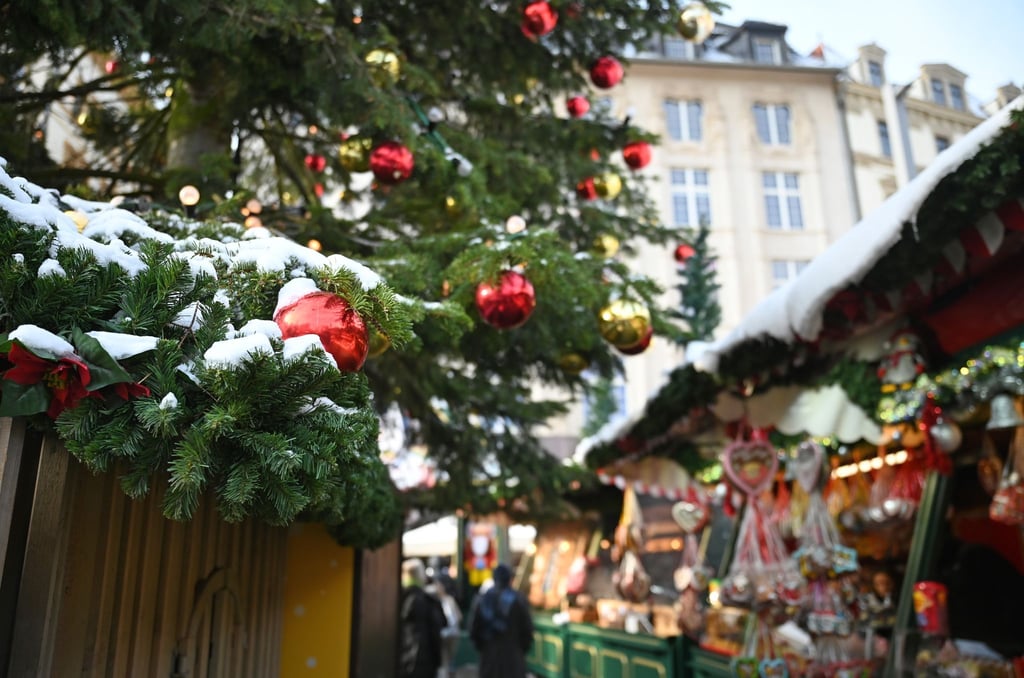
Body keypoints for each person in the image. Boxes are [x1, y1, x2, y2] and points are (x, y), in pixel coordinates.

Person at [469, 563, 534, 678]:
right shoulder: (519, 599)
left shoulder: (482, 600)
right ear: (510, 579)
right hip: (513, 657)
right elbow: (527, 631)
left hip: (489, 657)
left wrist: (484, 647)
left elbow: (474, 631)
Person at [400, 558, 446, 678]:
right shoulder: (428, 602)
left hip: (400, 662)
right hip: (424, 663)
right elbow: (436, 634)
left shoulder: (394, 600)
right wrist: (438, 662)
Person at [428, 571, 463, 678]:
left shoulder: (449, 600)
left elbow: (457, 618)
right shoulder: (433, 600)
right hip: (442, 636)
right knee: (443, 664)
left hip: (450, 635)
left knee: (446, 663)